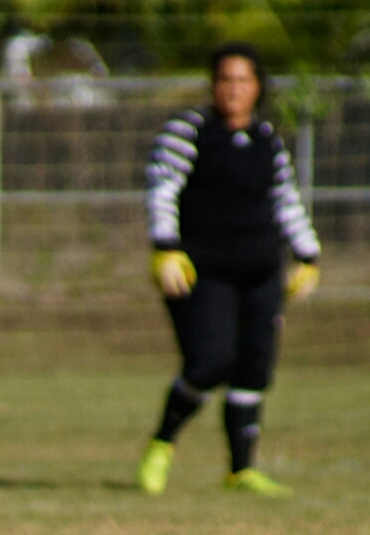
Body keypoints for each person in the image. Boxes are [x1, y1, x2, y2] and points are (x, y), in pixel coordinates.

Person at [138, 42, 320, 498]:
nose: (234, 89)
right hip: (203, 270)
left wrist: (308, 254)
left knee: (255, 367)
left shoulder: (267, 140)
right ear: (213, 84)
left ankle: (241, 470)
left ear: (258, 87)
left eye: (243, 80)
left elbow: (286, 200)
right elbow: (164, 189)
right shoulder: (190, 131)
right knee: (210, 361)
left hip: (261, 271)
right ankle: (162, 443)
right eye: (225, 80)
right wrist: (165, 247)